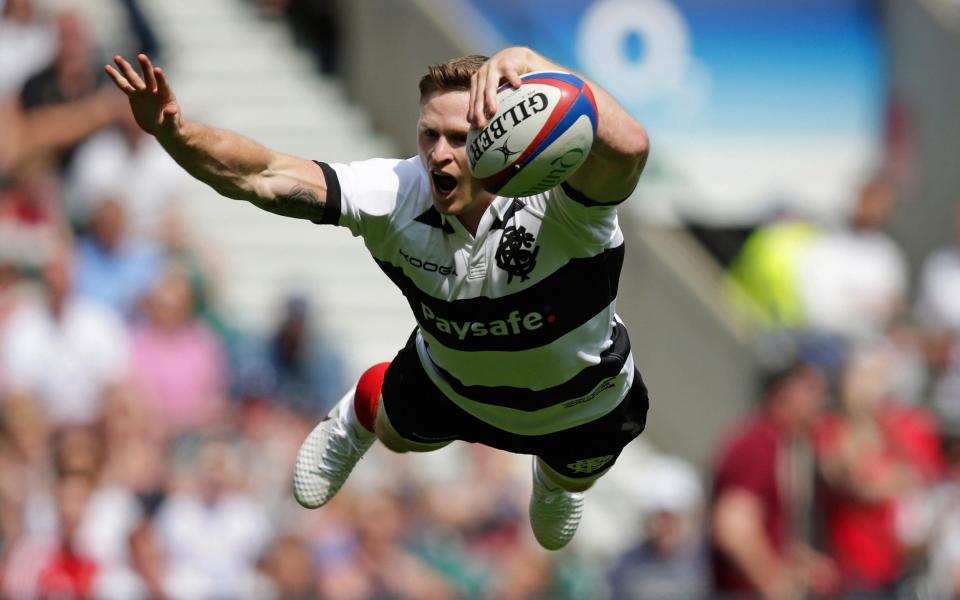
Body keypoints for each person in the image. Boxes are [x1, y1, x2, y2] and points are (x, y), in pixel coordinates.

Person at [104, 47, 650, 550]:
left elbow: (630, 146)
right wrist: (175, 133)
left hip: (584, 401)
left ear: (502, 135)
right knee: (398, 436)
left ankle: (557, 483)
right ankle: (356, 415)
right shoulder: (393, 193)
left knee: (567, 483)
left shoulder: (565, 202)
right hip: (452, 386)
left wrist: (538, 67)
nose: (438, 155)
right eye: (428, 135)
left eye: (459, 138)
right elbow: (264, 175)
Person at [710, 360, 839, 599]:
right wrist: (773, 580)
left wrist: (798, 561)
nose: (822, 401)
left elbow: (765, 527)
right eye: (812, 390)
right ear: (785, 391)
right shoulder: (759, 444)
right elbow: (733, 528)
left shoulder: (779, 443)